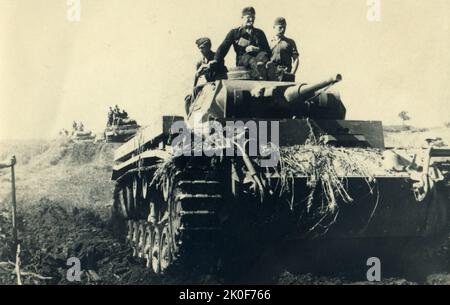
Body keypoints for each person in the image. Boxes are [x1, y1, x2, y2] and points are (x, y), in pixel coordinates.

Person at [214, 7, 275, 80]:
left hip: (260, 58)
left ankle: (267, 69)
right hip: (243, 59)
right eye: (249, 17)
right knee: (251, 59)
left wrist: (257, 49)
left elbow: (267, 50)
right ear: (242, 18)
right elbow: (223, 48)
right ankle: (261, 72)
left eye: (253, 17)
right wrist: (215, 60)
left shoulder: (259, 33)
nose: (251, 20)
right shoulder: (235, 33)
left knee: (263, 56)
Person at [270, 17, 299, 81]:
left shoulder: (290, 42)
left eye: (284, 27)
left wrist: (292, 74)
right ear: (274, 27)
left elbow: (296, 59)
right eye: (280, 27)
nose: (283, 30)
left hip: (286, 74)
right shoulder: (269, 42)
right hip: (272, 75)